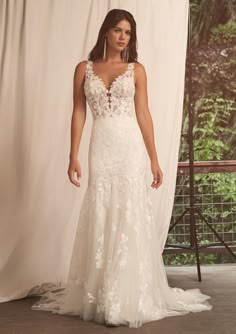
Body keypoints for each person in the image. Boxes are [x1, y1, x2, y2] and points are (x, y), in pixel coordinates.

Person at [31, 9, 212, 328]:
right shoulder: (83, 69)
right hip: (101, 146)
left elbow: (143, 115)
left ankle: (125, 296)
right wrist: (72, 155)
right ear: (105, 32)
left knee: (128, 213)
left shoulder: (136, 70)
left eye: (128, 32)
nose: (122, 36)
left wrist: (155, 159)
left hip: (130, 150)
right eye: (117, 30)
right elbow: (78, 113)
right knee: (102, 209)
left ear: (132, 37)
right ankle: (101, 293)